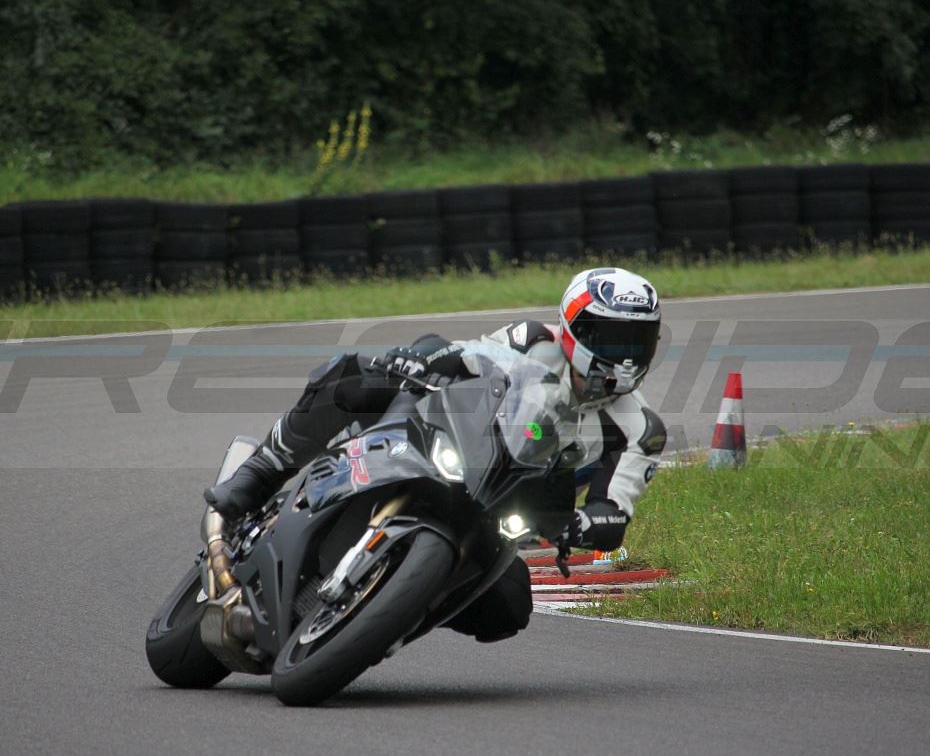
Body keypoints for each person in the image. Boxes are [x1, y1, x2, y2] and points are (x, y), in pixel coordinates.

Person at [204, 266, 667, 643]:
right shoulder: (532, 340)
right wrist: (420, 360)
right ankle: (259, 471)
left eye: (638, 342)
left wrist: (580, 524)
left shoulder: (641, 430)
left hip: (503, 512)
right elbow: (468, 359)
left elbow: (613, 511)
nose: (625, 357)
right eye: (613, 339)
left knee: (510, 607)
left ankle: (392, 613)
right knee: (351, 379)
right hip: (457, 449)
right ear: (575, 328)